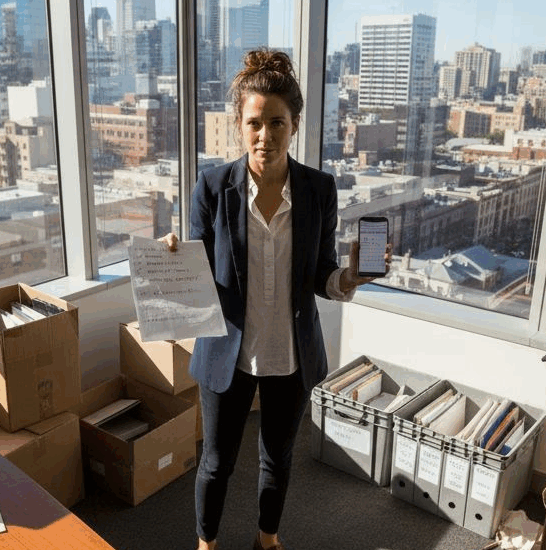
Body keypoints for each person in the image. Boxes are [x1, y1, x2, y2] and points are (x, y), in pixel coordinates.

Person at [159, 48, 389, 550]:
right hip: (228, 351)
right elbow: (199, 269)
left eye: (277, 123)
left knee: (277, 459)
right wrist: (172, 257)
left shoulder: (319, 190)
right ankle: (206, 544)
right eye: (255, 123)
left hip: (290, 352)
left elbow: (321, 275)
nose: (265, 135)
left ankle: (267, 539)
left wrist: (350, 277)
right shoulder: (212, 187)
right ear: (239, 126)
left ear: (295, 125)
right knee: (216, 462)